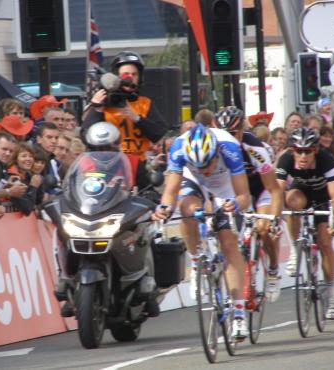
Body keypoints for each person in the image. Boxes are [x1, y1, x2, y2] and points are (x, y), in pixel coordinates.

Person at [152, 124, 251, 340]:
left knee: (228, 242)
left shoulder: (229, 148)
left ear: (216, 153)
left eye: (207, 163)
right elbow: (170, 192)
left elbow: (244, 196)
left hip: (225, 186)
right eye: (198, 164)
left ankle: (239, 312)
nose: (205, 168)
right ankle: (196, 260)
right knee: (187, 210)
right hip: (193, 182)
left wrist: (234, 204)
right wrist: (163, 208)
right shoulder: (179, 149)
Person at [215, 106, 284, 302]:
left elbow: (274, 189)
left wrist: (275, 220)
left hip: (259, 190)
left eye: (233, 133)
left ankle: (273, 269)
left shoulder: (254, 148)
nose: (229, 138)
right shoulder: (213, 147)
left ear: (242, 131)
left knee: (263, 228)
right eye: (224, 133)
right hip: (232, 193)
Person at [275, 127, 334, 320]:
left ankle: (331, 295)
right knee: (292, 201)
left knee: (325, 243)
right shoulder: (286, 159)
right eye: (298, 151)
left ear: (316, 151)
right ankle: (296, 248)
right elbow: (277, 193)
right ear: (292, 150)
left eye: (308, 151)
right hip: (301, 193)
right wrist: (274, 218)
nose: (303, 156)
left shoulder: (326, 160)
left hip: (322, 198)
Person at [82, 51, 168, 187]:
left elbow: (159, 133)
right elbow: (86, 136)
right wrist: (96, 108)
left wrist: (137, 118)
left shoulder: (145, 103)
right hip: (109, 166)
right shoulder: (103, 104)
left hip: (140, 167)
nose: (130, 78)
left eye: (134, 74)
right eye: (126, 74)